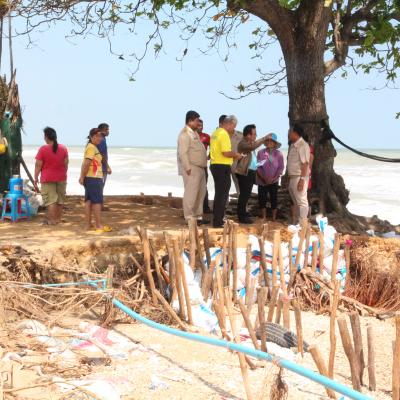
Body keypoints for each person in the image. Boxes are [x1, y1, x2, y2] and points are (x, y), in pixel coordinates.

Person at [210, 115, 242, 228]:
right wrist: (236, 155)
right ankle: (218, 222)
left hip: (215, 164)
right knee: (223, 195)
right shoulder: (224, 134)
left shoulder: (215, 133)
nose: (233, 129)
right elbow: (226, 152)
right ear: (229, 123)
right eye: (234, 126)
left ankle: (217, 219)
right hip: (222, 166)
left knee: (219, 194)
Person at [177, 111, 209, 225]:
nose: (198, 123)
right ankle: (190, 218)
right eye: (196, 121)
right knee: (191, 195)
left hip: (200, 168)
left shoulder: (194, 133)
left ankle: (198, 216)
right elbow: (182, 153)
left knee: (200, 194)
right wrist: (187, 168)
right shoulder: (185, 134)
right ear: (190, 121)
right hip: (192, 168)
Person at [79, 128, 112, 233]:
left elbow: (87, 163)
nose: (99, 138)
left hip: (91, 177)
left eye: (100, 136)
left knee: (89, 201)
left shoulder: (92, 147)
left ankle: (88, 224)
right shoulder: (91, 147)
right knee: (97, 202)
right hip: (94, 178)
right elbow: (86, 163)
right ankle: (98, 225)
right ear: (91, 137)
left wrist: (83, 177)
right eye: (97, 136)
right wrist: (82, 176)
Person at [34, 127, 69, 225]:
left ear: (46, 137)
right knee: (60, 200)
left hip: (47, 178)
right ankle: (58, 219)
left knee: (50, 200)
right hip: (61, 177)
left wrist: (36, 178)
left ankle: (52, 220)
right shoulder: (63, 148)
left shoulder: (43, 149)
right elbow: (66, 164)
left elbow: (38, 165)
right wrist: (63, 173)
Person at [235, 124, 267, 224]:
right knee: (244, 195)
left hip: (250, 172)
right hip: (245, 172)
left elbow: (251, 159)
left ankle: (244, 213)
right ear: (248, 135)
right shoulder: (243, 143)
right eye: (254, 134)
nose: (256, 136)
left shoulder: (249, 144)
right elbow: (252, 147)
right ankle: (242, 217)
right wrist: (264, 138)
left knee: (246, 195)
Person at [256, 133, 284, 221]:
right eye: (267, 140)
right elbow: (258, 167)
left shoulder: (279, 154)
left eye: (271, 141)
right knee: (262, 199)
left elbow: (281, 168)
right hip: (262, 180)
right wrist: (263, 178)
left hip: (274, 181)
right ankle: (264, 217)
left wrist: (274, 178)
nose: (269, 142)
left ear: (275, 143)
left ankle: (274, 218)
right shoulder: (260, 153)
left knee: (274, 199)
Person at [287, 124, 311, 224]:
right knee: (296, 202)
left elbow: (305, 164)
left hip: (299, 177)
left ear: (295, 133)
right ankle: (298, 223)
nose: (288, 134)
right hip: (293, 177)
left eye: (290, 132)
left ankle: (303, 224)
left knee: (302, 201)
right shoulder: (293, 145)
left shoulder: (302, 145)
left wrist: (302, 179)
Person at [197, 119, 212, 214]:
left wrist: (209, 156)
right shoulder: (191, 136)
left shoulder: (207, 136)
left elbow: (213, 148)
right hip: (194, 165)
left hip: (203, 165)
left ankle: (205, 208)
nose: (201, 127)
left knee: (204, 186)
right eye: (199, 125)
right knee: (194, 187)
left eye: (202, 125)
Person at [97, 123, 112, 211]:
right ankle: (100, 206)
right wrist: (107, 167)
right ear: (101, 130)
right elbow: (102, 155)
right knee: (100, 187)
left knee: (99, 187)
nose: (108, 131)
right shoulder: (102, 140)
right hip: (101, 167)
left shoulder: (100, 139)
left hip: (98, 167)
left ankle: (99, 205)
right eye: (106, 129)